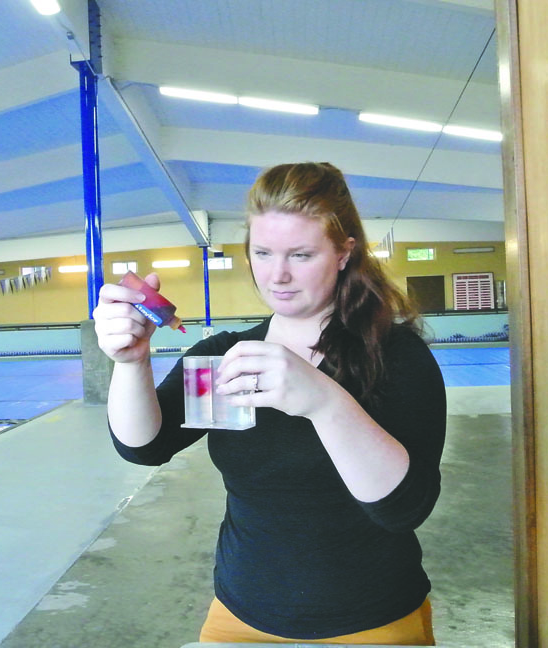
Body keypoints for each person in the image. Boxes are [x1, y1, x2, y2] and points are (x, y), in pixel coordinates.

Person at [92, 162, 446, 645]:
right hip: (241, 616)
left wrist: (323, 399)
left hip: (371, 620)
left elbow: (403, 509)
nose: (276, 274)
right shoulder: (225, 357)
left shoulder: (395, 356)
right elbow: (144, 447)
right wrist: (132, 363)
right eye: (262, 252)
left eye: (301, 254)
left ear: (344, 254)